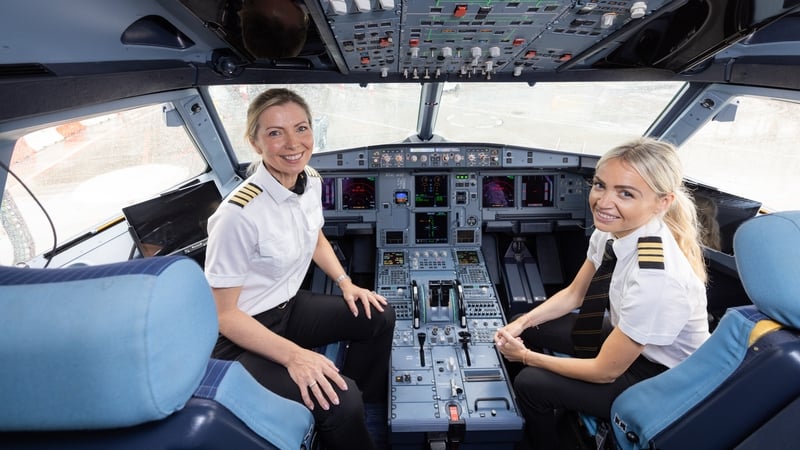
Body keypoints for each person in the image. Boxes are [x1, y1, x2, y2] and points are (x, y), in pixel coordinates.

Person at [204, 88, 395, 450]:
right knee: (340, 401)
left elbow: (315, 236)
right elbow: (224, 316)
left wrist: (346, 283)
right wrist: (295, 356)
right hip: (240, 336)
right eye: (275, 133)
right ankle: (346, 408)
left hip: (287, 307)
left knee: (378, 314)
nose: (293, 143)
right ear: (255, 142)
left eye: (301, 128)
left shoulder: (310, 180)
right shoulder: (238, 215)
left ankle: (366, 408)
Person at [494, 138, 709, 449]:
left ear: (662, 202)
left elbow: (605, 371)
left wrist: (526, 358)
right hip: (629, 339)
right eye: (600, 185)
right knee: (525, 324)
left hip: (661, 376)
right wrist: (521, 324)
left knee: (530, 383)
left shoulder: (657, 279)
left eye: (625, 193)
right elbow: (574, 294)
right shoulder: (612, 231)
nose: (603, 202)